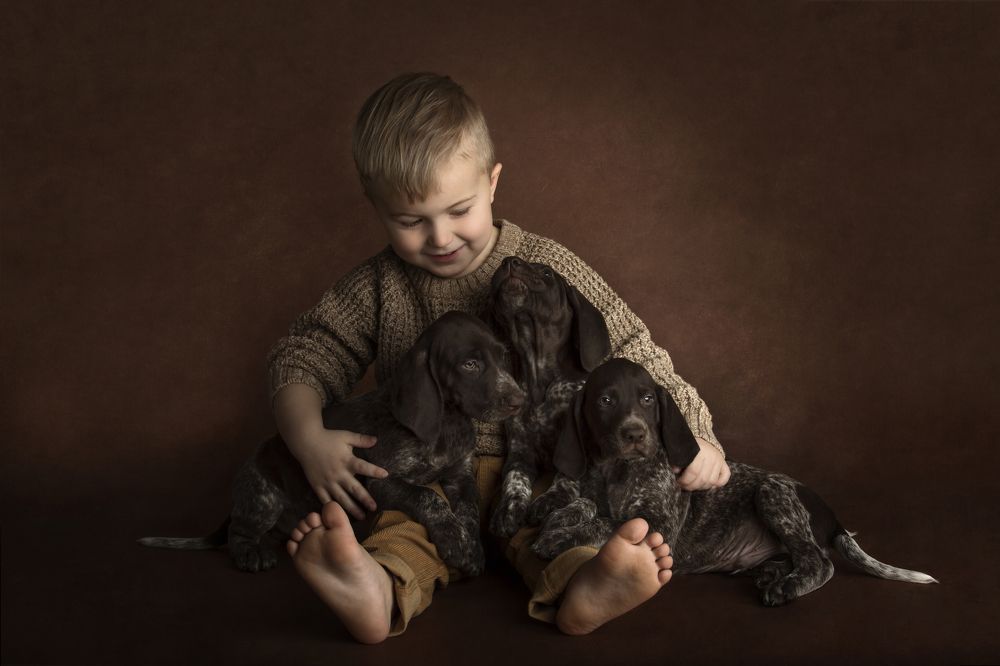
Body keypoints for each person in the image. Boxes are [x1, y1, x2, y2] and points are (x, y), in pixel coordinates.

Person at [269, 72, 731, 644]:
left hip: (541, 464)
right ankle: (377, 586)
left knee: (563, 524)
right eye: (411, 221)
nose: (439, 237)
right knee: (404, 528)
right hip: (431, 470)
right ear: (377, 208)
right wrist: (305, 436)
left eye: (458, 209)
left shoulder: (543, 267)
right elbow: (307, 352)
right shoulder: (376, 288)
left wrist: (700, 432)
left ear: (492, 183)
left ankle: (587, 582)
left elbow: (634, 349)